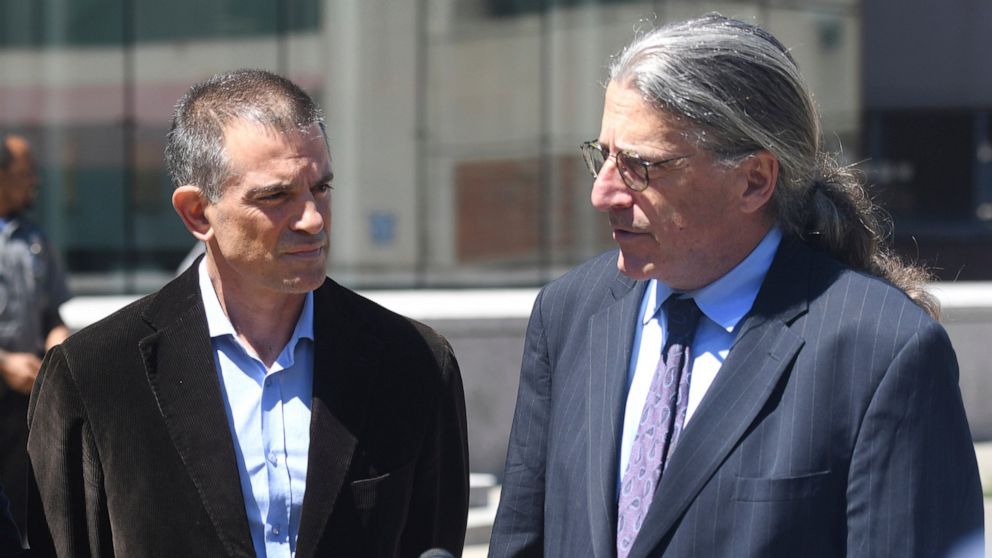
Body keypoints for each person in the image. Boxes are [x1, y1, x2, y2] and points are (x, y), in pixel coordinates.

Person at [490, 14, 983, 558]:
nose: (603, 194)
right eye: (603, 156)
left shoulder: (881, 352)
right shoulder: (570, 314)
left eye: (642, 167)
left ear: (754, 181)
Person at [27, 70, 469, 557]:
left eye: (321, 188)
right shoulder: (94, 375)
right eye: (276, 196)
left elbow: (434, 541)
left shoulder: (414, 362)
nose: (313, 219)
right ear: (197, 213)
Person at [0, 134, 72, 547]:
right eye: (26, 173)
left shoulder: (35, 239)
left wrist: (57, 348)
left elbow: (53, 314)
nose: (34, 183)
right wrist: (4, 362)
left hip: (27, 398)